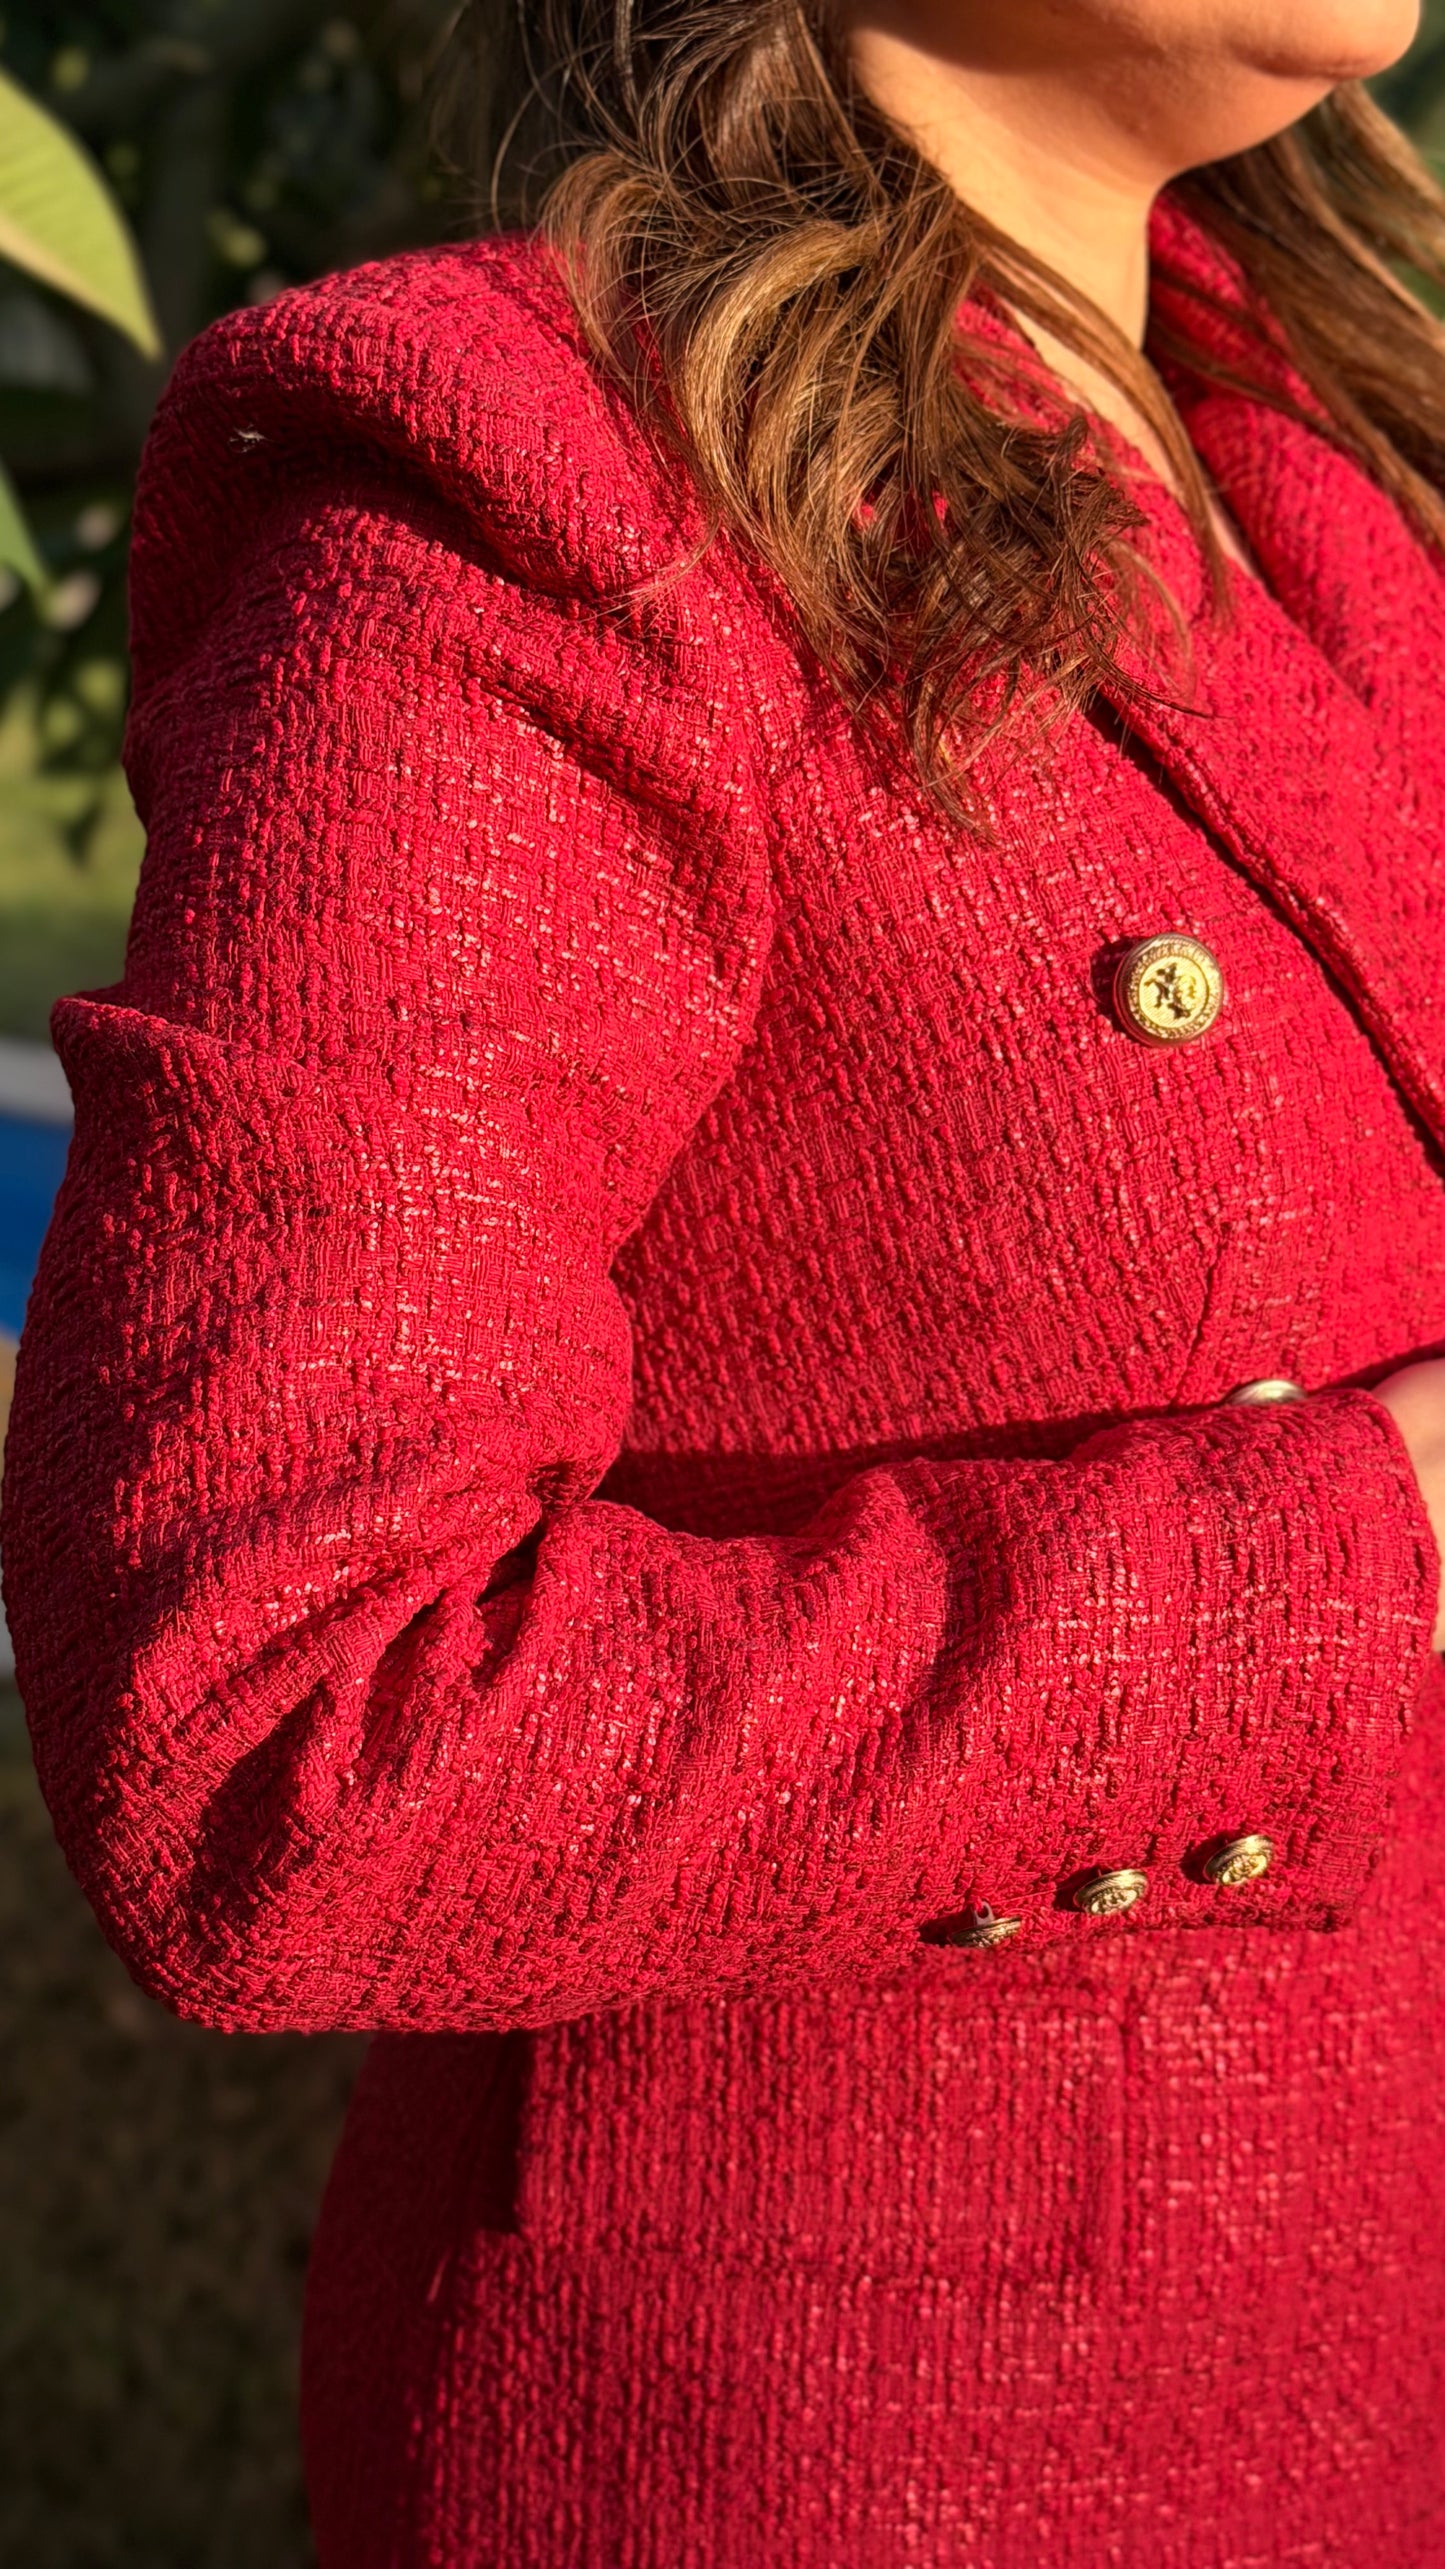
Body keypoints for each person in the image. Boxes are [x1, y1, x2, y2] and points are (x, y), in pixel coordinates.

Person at [5, 0, 1445, 2557]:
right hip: (898, 2469)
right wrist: (1350, 1552)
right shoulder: (529, 494)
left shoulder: (1344, 475)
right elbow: (283, 1745)